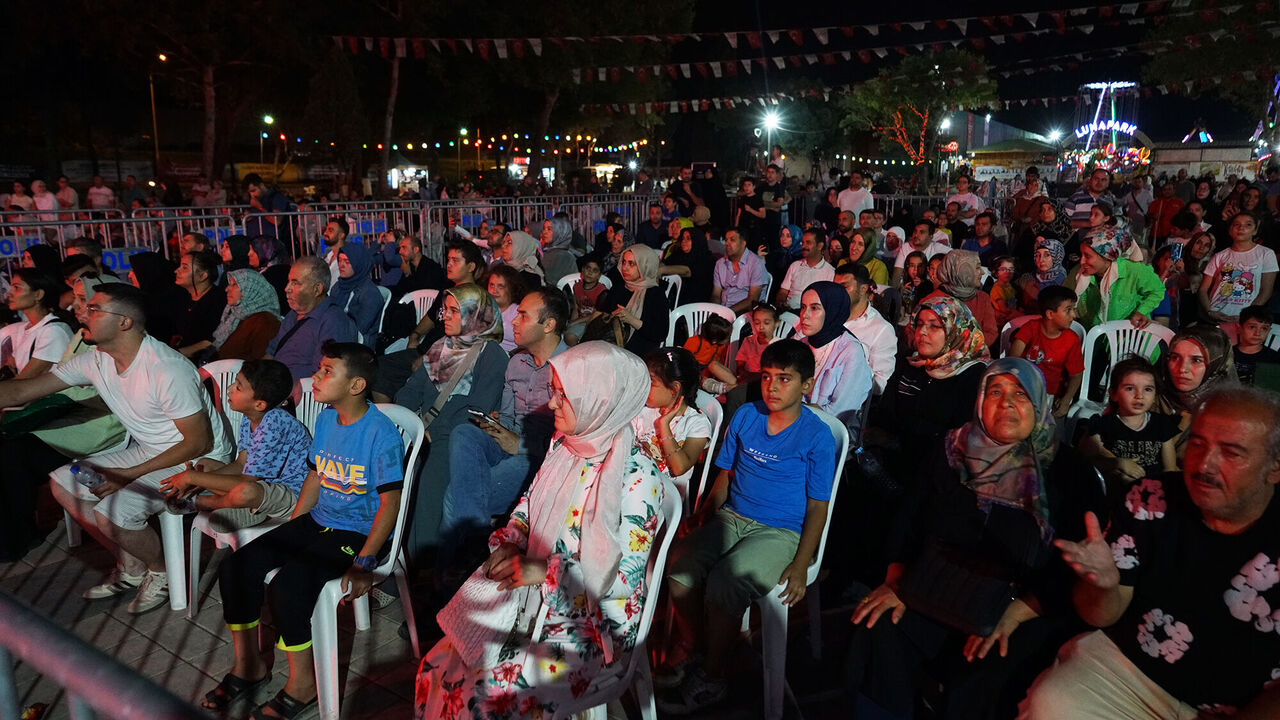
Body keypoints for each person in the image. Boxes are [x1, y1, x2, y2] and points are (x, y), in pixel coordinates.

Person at [413, 342, 670, 720]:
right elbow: (527, 508)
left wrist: (544, 571)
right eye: (554, 391)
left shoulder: (637, 478)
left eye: (563, 395)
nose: (551, 403)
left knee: (483, 701)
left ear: (600, 399)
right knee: (437, 666)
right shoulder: (567, 445)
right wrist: (510, 540)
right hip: (533, 597)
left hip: (591, 624)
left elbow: (622, 586)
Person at [848, 358, 1101, 720]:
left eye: (1021, 394)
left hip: (1023, 603)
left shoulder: (1068, 471)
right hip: (940, 586)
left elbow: (1072, 565)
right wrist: (897, 579)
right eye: (995, 392)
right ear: (980, 400)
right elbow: (909, 520)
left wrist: (1017, 613)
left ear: (1039, 403)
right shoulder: (953, 449)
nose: (1007, 403)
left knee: (987, 667)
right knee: (876, 627)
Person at [1026, 386, 1280, 719]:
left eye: (1232, 453)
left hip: (1245, 705)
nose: (1205, 464)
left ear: (1275, 467)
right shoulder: (1151, 498)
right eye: (1198, 443)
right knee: (1052, 704)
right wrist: (1102, 583)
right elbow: (1101, 615)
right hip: (1131, 671)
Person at [0, 282, 234, 611]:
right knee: (66, 481)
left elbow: (199, 441)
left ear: (124, 322)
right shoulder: (97, 360)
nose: (83, 312)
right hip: (152, 450)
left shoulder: (165, 368)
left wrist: (127, 474)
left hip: (198, 459)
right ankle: (133, 567)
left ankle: (163, 571)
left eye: (94, 309)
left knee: (117, 512)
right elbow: (24, 391)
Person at [206, 342, 403, 719]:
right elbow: (315, 475)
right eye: (320, 368)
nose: (316, 376)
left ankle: (303, 685)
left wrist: (364, 561)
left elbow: (389, 503)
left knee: (289, 586)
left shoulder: (381, 434)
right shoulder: (327, 419)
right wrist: (294, 525)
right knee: (235, 567)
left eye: (328, 371)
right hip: (318, 521)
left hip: (358, 533)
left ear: (356, 385)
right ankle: (249, 666)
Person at [660, 340, 837, 713]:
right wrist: (706, 513)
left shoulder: (816, 436)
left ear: (806, 384)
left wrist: (803, 563)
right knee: (680, 565)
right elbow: (726, 473)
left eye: (784, 379)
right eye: (767, 377)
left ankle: (713, 674)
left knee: (727, 580)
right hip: (733, 517)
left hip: (780, 531)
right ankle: (697, 646)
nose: (771, 387)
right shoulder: (746, 416)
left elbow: (819, 506)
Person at [437, 289, 570, 572]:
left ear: (548, 325)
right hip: (510, 444)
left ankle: (452, 575)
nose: (513, 322)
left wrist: (519, 444)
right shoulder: (517, 362)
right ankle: (472, 551)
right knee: (464, 432)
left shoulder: (570, 369)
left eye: (523, 316)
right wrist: (496, 426)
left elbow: (570, 442)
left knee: (453, 497)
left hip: (542, 459)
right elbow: (510, 417)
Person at [397, 284, 509, 562]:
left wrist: (427, 434)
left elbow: (476, 411)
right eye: (444, 310)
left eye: (454, 310)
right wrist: (407, 425)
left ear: (475, 314)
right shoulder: (440, 347)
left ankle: (421, 564)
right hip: (424, 430)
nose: (444, 316)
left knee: (425, 477)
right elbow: (410, 392)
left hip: (459, 437)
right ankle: (393, 560)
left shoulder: (491, 355)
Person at [159, 359, 310, 531]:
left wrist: (192, 479)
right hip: (264, 486)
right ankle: (241, 507)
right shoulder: (251, 417)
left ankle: (206, 502)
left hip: (292, 496)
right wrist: (196, 479)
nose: (229, 388)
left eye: (238, 387)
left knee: (245, 491)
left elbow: (248, 480)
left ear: (259, 404)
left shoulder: (274, 423)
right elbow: (241, 464)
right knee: (204, 465)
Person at [1078, 357, 1179, 491]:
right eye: (1130, 388)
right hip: (1113, 494)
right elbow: (1085, 462)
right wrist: (1118, 464)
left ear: (1155, 396)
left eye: (1148, 389)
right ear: (1113, 394)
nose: (1139, 395)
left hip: (1152, 495)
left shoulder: (1162, 425)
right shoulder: (1102, 425)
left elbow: (1169, 470)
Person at [633, 347, 713, 504]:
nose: (644, 386)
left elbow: (679, 467)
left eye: (651, 382)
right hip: (633, 486)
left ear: (674, 389)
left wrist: (664, 426)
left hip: (663, 500)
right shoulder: (642, 410)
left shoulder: (696, 423)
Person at [264, 256, 358, 381]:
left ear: (317, 289)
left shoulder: (333, 321)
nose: (287, 289)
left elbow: (323, 373)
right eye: (288, 281)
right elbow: (271, 352)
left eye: (295, 283)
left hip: (301, 392)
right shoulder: (292, 314)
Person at [796, 281, 874, 431]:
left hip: (826, 430)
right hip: (794, 421)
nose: (804, 315)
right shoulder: (801, 343)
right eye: (803, 307)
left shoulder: (850, 351)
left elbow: (840, 412)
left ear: (833, 310)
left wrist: (799, 413)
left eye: (814, 308)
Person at [1008, 285, 1084, 419]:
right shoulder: (1031, 328)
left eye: (1074, 310)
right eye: (1068, 310)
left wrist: (1066, 401)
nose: (1073, 315)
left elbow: (1076, 375)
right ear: (1050, 314)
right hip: (1023, 390)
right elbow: (1012, 360)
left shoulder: (1071, 340)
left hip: (1050, 396)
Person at [1199, 212, 1278, 340]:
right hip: (1217, 317)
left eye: (1248, 225)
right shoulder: (1220, 256)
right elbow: (1203, 289)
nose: (1241, 228)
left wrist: (1247, 315)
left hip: (1245, 321)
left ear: (1255, 230)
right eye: (1236, 224)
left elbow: (1266, 290)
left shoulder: (1266, 254)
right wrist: (1211, 312)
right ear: (1230, 230)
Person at [1161, 326, 1237, 457]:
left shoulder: (1234, 412)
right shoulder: (1152, 397)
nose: (1182, 369)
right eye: (1175, 358)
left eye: (1196, 360)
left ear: (1216, 365)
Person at [1071, 226, 1165, 330]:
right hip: (1096, 337)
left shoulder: (1132, 270)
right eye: (1082, 255)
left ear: (1107, 256)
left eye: (1087, 256)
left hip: (1130, 336)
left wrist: (1141, 311)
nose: (1082, 261)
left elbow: (1157, 290)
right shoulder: (1080, 274)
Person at [1, 268, 74, 380]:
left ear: (38, 294)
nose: (8, 293)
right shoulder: (22, 328)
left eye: (16, 288)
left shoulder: (54, 331)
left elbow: (24, 381)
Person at [596, 244, 670, 357]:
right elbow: (605, 313)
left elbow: (660, 334)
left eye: (632, 264)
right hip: (613, 344)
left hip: (642, 350)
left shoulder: (656, 294)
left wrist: (632, 320)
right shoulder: (619, 288)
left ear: (645, 266)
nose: (625, 267)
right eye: (624, 262)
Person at [835, 262, 897, 395]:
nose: (837, 292)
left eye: (844, 287)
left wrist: (850, 373)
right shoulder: (829, 314)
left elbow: (880, 384)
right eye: (835, 287)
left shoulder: (881, 329)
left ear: (863, 289)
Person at [927, 250, 998, 348]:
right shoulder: (933, 300)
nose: (982, 272)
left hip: (973, 358)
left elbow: (991, 332)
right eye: (977, 268)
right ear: (962, 270)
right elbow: (914, 334)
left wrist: (966, 350)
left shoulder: (982, 298)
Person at [210, 269, 282, 362]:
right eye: (229, 284)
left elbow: (260, 364)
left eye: (234, 284)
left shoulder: (265, 322)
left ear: (251, 290)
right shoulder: (234, 315)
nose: (227, 289)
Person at [173, 250, 228, 358]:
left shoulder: (218, 301)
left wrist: (178, 354)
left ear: (203, 276)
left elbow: (213, 340)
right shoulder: (184, 298)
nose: (176, 271)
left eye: (184, 268)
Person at [330, 242, 383, 347]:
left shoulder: (370, 294)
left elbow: (360, 329)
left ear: (358, 264)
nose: (341, 265)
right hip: (336, 336)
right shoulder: (338, 286)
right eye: (340, 260)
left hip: (359, 345)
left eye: (347, 261)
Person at [777, 229, 835, 310]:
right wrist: (781, 302)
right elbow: (783, 291)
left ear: (820, 246)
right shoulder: (795, 266)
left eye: (808, 243)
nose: (803, 246)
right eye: (803, 243)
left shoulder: (830, 272)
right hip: (790, 311)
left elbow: (829, 301)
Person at [661, 226, 716, 305]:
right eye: (683, 238)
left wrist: (662, 270)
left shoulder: (706, 258)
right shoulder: (679, 254)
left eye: (688, 238)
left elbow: (687, 271)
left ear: (696, 240)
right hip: (676, 297)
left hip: (696, 302)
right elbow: (666, 263)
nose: (684, 241)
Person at [1015, 238, 1066, 314]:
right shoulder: (1031, 276)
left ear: (1057, 256)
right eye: (1038, 255)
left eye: (1047, 255)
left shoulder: (1062, 280)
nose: (1041, 260)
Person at [892, 220, 951, 287]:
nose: (916, 235)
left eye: (921, 232)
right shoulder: (906, 247)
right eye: (915, 231)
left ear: (931, 236)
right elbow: (897, 274)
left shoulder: (938, 248)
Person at [1232, 305, 1280, 385]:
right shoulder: (1227, 355)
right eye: (1252, 327)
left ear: (1269, 331)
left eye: (1264, 328)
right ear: (1239, 328)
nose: (1258, 333)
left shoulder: (1275, 359)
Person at [390, 233, 445, 300]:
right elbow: (399, 289)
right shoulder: (410, 266)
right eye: (400, 248)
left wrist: (407, 274)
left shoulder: (431, 267)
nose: (400, 252)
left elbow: (420, 293)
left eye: (404, 247)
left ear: (416, 249)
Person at [487, 265, 525, 353]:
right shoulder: (483, 308)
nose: (494, 290)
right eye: (491, 285)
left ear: (511, 289)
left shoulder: (518, 312)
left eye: (500, 286)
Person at [249, 234, 291, 311]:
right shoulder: (287, 270)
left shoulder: (271, 276)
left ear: (266, 251)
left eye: (253, 250)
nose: (249, 254)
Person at [540, 214, 577, 287]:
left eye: (549, 229)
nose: (544, 232)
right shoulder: (547, 251)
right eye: (544, 228)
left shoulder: (563, 256)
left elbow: (551, 282)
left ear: (561, 231)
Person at [989, 256, 1020, 328]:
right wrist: (1017, 313)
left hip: (1011, 317)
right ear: (996, 273)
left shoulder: (1009, 286)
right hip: (1003, 321)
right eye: (1003, 269)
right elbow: (1003, 309)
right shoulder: (997, 289)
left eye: (1011, 269)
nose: (1008, 272)